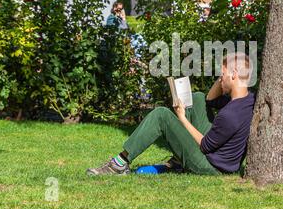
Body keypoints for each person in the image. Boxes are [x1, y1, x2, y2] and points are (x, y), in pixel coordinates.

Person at [87, 52, 255, 175]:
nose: (219, 78)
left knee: (161, 115)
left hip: (211, 166)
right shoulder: (249, 100)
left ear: (234, 75)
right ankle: (177, 160)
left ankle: (119, 165)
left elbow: (205, 145)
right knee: (197, 98)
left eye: (222, 75)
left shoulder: (230, 115)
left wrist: (182, 118)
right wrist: (224, 78)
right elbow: (210, 100)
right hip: (222, 157)